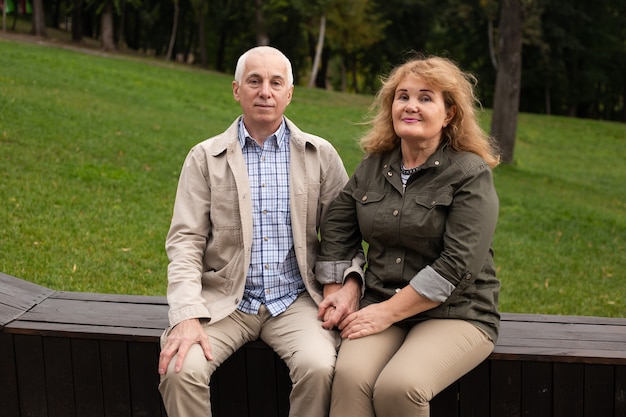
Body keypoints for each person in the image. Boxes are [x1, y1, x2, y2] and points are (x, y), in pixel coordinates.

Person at [157, 46, 363, 417]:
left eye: (275, 82)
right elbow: (185, 242)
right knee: (179, 369)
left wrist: (348, 285)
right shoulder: (204, 158)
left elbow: (344, 236)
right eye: (254, 81)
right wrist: (186, 315)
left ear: (289, 93)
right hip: (223, 303)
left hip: (296, 301)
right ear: (237, 90)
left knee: (319, 368)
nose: (264, 91)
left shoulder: (321, 155)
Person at [315, 55, 501, 417]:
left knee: (399, 387)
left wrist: (384, 313)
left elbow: (457, 267)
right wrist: (340, 290)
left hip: (456, 313)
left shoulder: (469, 174)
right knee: (349, 377)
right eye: (403, 96)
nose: (411, 105)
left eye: (425, 98)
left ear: (448, 114)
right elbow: (337, 226)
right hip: (381, 302)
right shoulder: (374, 165)